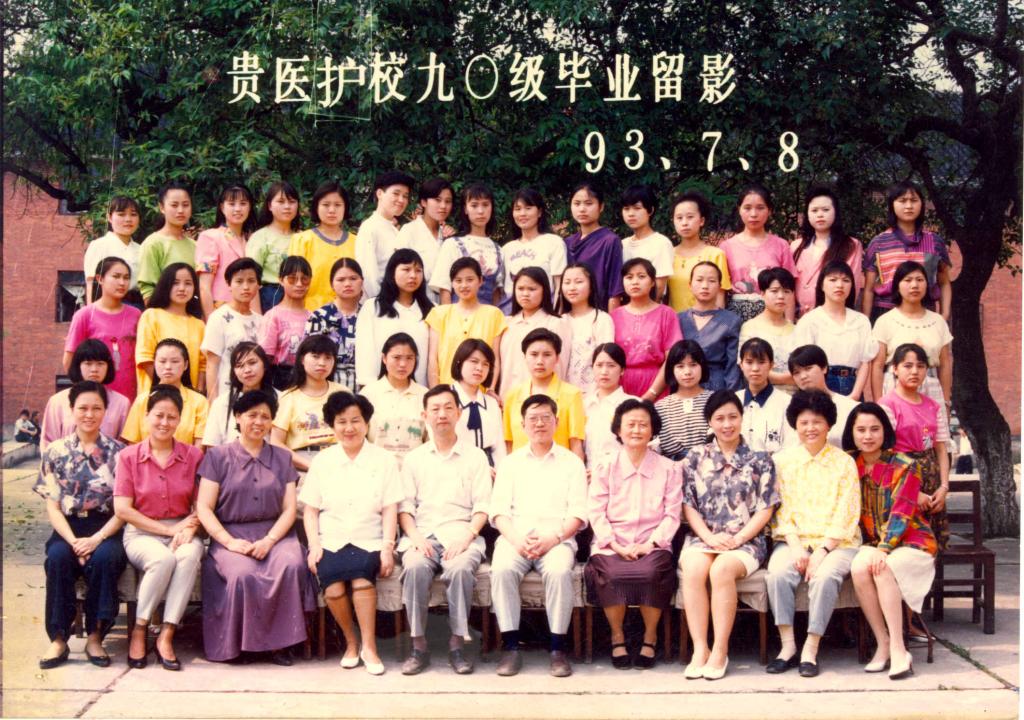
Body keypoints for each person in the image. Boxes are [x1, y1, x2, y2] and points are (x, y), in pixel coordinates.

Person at [196, 390, 315, 664]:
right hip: (231, 534)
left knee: (291, 565)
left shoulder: (282, 458)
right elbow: (204, 507)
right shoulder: (218, 457)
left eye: (265, 417)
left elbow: (289, 509)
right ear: (238, 418)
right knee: (242, 574)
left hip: (276, 533)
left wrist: (270, 540)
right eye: (252, 415)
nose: (259, 422)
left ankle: (281, 646)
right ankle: (241, 646)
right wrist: (228, 542)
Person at [300, 391, 402, 675]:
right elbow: (310, 511)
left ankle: (370, 646)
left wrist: (387, 547)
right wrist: (314, 545)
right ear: (332, 425)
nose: (349, 428)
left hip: (369, 539)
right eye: (341, 422)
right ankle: (351, 642)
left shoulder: (384, 460)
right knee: (333, 588)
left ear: (366, 423)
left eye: (355, 421)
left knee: (361, 582)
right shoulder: (323, 461)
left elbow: (390, 508)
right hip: (331, 539)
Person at [679, 390, 778, 680]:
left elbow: (766, 508)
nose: (727, 424)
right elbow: (688, 504)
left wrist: (738, 539)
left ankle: (720, 650)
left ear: (742, 418)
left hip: (746, 541)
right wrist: (709, 537)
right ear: (709, 422)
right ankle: (700, 649)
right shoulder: (695, 457)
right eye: (719, 418)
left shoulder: (760, 459)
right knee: (694, 568)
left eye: (733, 417)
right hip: (704, 537)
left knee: (721, 569)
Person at [490, 394, 588, 678]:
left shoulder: (572, 463)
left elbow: (578, 513)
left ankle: (557, 649)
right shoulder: (510, 463)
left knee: (558, 571)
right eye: (533, 418)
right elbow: (499, 511)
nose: (540, 423)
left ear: (556, 421)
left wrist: (553, 538)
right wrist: (516, 539)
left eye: (546, 417)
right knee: (502, 569)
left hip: (557, 539)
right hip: (515, 538)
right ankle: (510, 647)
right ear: (522, 424)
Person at [766, 389, 861, 678]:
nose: (810, 428)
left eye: (817, 422)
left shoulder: (844, 462)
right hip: (794, 540)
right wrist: (795, 547)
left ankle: (811, 647)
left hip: (838, 543)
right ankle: (787, 646)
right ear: (795, 424)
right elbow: (780, 509)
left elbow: (847, 511)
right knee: (778, 573)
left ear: (829, 424)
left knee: (825, 575)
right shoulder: (782, 461)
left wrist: (822, 550)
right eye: (804, 422)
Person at [397, 385, 492, 675]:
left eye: (448, 408)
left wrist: (468, 537)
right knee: (414, 567)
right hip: (422, 534)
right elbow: (405, 508)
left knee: (461, 568)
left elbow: (483, 506)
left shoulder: (476, 457)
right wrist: (415, 537)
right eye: (435, 409)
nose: (442, 414)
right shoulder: (414, 459)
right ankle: (418, 646)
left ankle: (457, 645)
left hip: (462, 533)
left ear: (459, 413)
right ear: (424, 415)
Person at [35, 381, 127, 669]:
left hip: (106, 527)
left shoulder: (119, 453)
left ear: (105, 411)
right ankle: (58, 639)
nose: (89, 414)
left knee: (105, 559)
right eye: (83, 408)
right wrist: (75, 542)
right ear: (72, 410)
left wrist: (96, 539)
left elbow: (124, 508)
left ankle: (96, 637)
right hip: (67, 527)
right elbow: (53, 507)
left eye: (96, 408)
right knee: (58, 558)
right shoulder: (55, 451)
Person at [114, 384, 205, 671]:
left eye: (171, 417)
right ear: (147, 416)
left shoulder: (193, 456)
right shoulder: (128, 457)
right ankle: (140, 629)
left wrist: (189, 527)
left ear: (179, 420)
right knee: (162, 559)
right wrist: (167, 531)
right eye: (159, 415)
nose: (164, 422)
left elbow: (201, 505)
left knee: (189, 555)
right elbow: (123, 509)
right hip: (141, 532)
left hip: (183, 528)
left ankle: (166, 634)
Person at [844, 403, 936, 680]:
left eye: (875, 429)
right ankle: (882, 642)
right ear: (851, 432)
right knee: (859, 568)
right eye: (861, 430)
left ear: (885, 431)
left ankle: (898, 648)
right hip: (872, 543)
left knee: (882, 568)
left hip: (911, 541)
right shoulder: (848, 464)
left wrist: (884, 548)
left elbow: (902, 512)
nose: (868, 436)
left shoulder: (905, 465)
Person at [587, 399, 681, 670]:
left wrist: (649, 545)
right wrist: (616, 545)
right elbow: (596, 511)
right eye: (630, 424)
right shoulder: (605, 466)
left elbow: (672, 514)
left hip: (653, 543)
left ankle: (650, 637)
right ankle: (617, 636)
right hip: (612, 544)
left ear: (653, 430)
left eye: (643, 425)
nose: (637, 430)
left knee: (651, 573)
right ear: (618, 429)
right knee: (613, 575)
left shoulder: (669, 468)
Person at [878, 343, 950, 550]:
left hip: (932, 483)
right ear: (895, 369)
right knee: (907, 545)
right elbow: (885, 455)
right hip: (901, 481)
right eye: (907, 366)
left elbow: (941, 449)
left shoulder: (933, 405)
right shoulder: (887, 405)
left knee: (933, 546)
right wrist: (912, 494)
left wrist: (943, 487)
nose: (914, 371)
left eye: (920, 366)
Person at [863, 180, 952, 322]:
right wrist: (866, 322)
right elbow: (868, 288)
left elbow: (944, 282)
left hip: (925, 313)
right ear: (892, 204)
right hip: (886, 314)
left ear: (921, 204)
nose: (909, 206)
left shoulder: (935, 242)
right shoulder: (879, 243)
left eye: (914, 200)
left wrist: (944, 315)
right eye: (902, 201)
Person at [870, 260, 952, 407]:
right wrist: (879, 403)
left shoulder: (938, 321)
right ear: (897, 285)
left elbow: (945, 364)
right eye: (908, 280)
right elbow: (877, 365)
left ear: (927, 285)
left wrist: (946, 402)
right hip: (895, 389)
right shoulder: (885, 321)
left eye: (920, 280)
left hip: (932, 389)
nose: (914, 285)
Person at [793, 260, 877, 398]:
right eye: (833, 280)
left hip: (854, 385)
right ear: (821, 285)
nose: (839, 285)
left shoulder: (861, 321)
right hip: (820, 385)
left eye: (846, 280)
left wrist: (855, 395)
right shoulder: (809, 321)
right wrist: (825, 392)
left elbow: (865, 362)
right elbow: (804, 363)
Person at [64, 257, 142, 400]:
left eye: (126, 278)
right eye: (116, 276)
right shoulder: (85, 315)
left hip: (131, 397)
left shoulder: (136, 315)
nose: (122, 283)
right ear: (100, 279)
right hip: (96, 399)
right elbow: (69, 361)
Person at [502, 328, 585, 460]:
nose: (540, 361)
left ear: (557, 358)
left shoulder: (572, 394)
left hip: (558, 467)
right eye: (534, 354)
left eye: (547, 355)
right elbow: (509, 443)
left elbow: (576, 444)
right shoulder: (512, 395)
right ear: (525, 357)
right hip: (521, 468)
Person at [355, 248, 432, 388]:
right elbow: (364, 352)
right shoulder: (373, 307)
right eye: (406, 269)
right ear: (392, 272)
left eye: (418, 270)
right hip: (379, 390)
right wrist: (367, 387)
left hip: (419, 391)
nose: (413, 275)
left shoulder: (431, 310)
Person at [271, 334, 347, 473]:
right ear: (302, 359)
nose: (322, 363)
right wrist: (311, 466)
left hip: (341, 461)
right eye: (315, 356)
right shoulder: (288, 398)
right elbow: (276, 443)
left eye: (328, 357)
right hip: (302, 465)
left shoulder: (343, 393)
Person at [720, 183, 796, 321]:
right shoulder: (726, 247)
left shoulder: (781, 245)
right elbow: (721, 291)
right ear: (739, 209)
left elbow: (789, 288)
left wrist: (790, 323)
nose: (754, 214)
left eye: (760, 208)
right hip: (736, 317)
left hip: (773, 315)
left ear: (769, 210)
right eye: (747, 208)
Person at [426, 257, 507, 386]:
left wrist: (491, 388)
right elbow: (432, 359)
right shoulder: (439, 314)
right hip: (447, 390)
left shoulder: (494, 315)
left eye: (470, 280)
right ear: (452, 283)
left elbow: (495, 358)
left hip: (481, 391)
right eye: (458, 280)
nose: (464, 285)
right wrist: (436, 391)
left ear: (480, 281)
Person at [611, 258, 682, 399]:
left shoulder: (666, 314)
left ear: (653, 282)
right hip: (620, 386)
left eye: (641, 276)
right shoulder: (614, 316)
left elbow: (672, 358)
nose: (635, 282)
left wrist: (652, 393)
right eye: (629, 277)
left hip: (656, 383)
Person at [497, 267, 572, 398]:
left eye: (532, 289)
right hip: (507, 399)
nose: (525, 294)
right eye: (520, 289)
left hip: (542, 401)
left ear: (545, 291)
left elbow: (560, 368)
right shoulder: (507, 323)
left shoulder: (555, 324)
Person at [44, 339, 131, 449]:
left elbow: (124, 446)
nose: (94, 369)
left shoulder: (122, 403)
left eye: (100, 364)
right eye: (88, 363)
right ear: (78, 366)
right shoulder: (57, 401)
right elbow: (48, 443)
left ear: (108, 367)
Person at [135, 262, 206, 396]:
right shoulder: (151, 316)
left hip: (191, 399)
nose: (182, 288)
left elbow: (203, 365)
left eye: (188, 283)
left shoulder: (199, 325)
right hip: (157, 396)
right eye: (175, 283)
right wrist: (170, 390)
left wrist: (198, 393)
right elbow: (145, 358)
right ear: (166, 285)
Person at [790, 187, 863, 317]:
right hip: (800, 319)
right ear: (807, 214)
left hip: (833, 317)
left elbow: (853, 287)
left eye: (825, 210)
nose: (820, 215)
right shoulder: (796, 246)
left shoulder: (851, 245)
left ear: (835, 212)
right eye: (814, 210)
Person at [122, 339, 209, 447]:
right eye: (162, 361)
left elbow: (199, 447)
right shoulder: (143, 400)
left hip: (186, 458)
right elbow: (133, 444)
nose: (168, 367)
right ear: (154, 363)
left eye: (175, 361)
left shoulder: (199, 402)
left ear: (186, 365)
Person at [430, 183, 505, 307]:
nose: (480, 211)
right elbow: (444, 289)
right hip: (458, 316)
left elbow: (497, 293)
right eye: (474, 205)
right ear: (465, 209)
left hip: (488, 317)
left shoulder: (498, 249)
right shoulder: (453, 244)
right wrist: (448, 317)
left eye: (485, 205)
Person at [360, 333, 428, 468]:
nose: (403, 364)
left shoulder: (425, 395)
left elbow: (430, 440)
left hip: (416, 470)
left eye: (409, 358)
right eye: (396, 357)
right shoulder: (368, 394)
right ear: (384, 358)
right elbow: (359, 438)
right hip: (377, 469)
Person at [287, 181, 357, 311]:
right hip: (310, 314)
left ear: (345, 208)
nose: (332, 210)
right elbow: (292, 282)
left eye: (337, 205)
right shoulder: (302, 240)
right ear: (316, 207)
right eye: (326, 205)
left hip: (349, 315)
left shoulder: (357, 242)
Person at [201, 258, 263, 403]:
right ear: (229, 284)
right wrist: (213, 403)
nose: (246, 287)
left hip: (255, 397)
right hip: (227, 395)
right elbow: (212, 364)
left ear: (258, 285)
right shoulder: (218, 317)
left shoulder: (261, 321)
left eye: (251, 281)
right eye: (239, 281)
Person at [196, 184, 258, 319]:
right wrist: (210, 320)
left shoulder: (252, 240)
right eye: (231, 204)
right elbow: (204, 286)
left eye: (243, 203)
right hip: (221, 312)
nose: (238, 209)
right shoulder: (210, 237)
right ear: (222, 207)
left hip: (248, 314)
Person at [678, 262, 741, 391]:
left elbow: (732, 366)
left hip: (717, 387)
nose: (705, 286)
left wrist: (731, 396)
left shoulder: (731, 321)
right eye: (699, 280)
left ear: (719, 286)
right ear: (690, 285)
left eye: (711, 281)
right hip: (683, 386)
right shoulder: (678, 319)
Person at [202, 342, 276, 448]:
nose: (247, 370)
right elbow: (212, 446)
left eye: (252, 363)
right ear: (234, 371)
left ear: (264, 365)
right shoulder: (221, 403)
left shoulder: (281, 399)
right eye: (239, 366)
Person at [667, 190, 731, 312]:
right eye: (679, 218)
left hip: (707, 321)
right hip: (674, 321)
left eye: (690, 217)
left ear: (701, 221)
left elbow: (720, 298)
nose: (684, 223)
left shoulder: (715, 255)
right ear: (673, 221)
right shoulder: (668, 254)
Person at [564, 182, 623, 311]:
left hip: (599, 313)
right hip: (570, 314)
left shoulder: (609, 241)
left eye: (588, 203)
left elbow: (615, 290)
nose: (582, 209)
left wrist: (611, 320)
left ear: (601, 207)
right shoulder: (567, 243)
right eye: (577, 204)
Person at [356, 170, 416, 299]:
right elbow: (369, 276)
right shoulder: (369, 227)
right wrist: (381, 303)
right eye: (396, 193)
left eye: (405, 196)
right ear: (380, 194)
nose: (401, 200)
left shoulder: (395, 229)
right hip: (380, 303)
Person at [305, 258, 363, 390]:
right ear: (332, 284)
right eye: (341, 280)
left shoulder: (369, 315)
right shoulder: (319, 317)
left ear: (362, 281)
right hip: (326, 386)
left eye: (353, 278)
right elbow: (310, 358)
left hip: (363, 386)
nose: (347, 284)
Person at [557, 263, 615, 394]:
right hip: (563, 395)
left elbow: (607, 359)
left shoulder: (601, 319)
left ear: (591, 286)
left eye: (578, 282)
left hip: (593, 394)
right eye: (567, 282)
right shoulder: (560, 321)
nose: (572, 287)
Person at [738, 267, 797, 393]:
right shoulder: (750, 328)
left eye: (786, 291)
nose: (781, 296)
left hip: (794, 397)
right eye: (774, 291)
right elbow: (748, 368)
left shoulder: (797, 330)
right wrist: (789, 378)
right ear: (763, 293)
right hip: (761, 395)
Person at [258, 255, 312, 389]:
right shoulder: (273, 316)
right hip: (279, 381)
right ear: (281, 280)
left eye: (304, 279)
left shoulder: (313, 316)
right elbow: (265, 358)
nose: (299, 284)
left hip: (308, 380)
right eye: (292, 279)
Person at [789, 344, 859, 448]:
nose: (803, 376)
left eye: (808, 368)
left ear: (824, 368)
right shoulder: (789, 408)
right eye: (796, 372)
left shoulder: (850, 407)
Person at [450, 339, 506, 467]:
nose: (479, 368)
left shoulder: (492, 404)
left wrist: (499, 472)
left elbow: (499, 448)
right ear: (459, 362)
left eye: (485, 364)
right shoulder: (444, 399)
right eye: (474, 361)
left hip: (490, 469)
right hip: (454, 467)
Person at [503, 188, 567, 300]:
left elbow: (559, 287)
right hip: (510, 309)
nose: (522, 213)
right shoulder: (506, 249)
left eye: (528, 208)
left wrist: (556, 310)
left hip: (545, 308)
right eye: (517, 209)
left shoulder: (554, 243)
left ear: (539, 212)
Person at [396, 178, 455, 299]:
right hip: (416, 300)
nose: (443, 206)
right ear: (424, 202)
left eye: (448, 201)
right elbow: (399, 271)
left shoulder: (448, 235)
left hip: (446, 302)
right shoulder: (409, 231)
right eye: (437, 200)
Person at [247, 181, 302, 311]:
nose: (287, 206)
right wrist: (257, 316)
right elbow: (250, 278)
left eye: (292, 202)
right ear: (269, 206)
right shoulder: (260, 237)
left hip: (300, 295)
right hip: (270, 297)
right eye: (281, 202)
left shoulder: (303, 237)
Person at [655, 340, 713, 461]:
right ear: (671, 369)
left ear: (702, 366)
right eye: (680, 366)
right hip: (670, 467)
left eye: (693, 365)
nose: (687, 372)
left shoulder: (715, 401)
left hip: (708, 466)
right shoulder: (660, 407)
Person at [137, 181, 195, 301]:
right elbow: (148, 290)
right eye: (174, 205)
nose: (180, 210)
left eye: (185, 205)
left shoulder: (195, 245)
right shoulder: (153, 244)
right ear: (162, 207)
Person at [583, 343, 638, 469]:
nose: (604, 371)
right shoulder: (584, 405)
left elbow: (646, 447)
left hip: (622, 474)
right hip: (588, 475)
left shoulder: (634, 405)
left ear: (622, 370)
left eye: (611, 365)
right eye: (599, 365)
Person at [84, 196, 143, 308]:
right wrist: (92, 313)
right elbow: (91, 283)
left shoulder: (141, 249)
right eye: (121, 214)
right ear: (109, 217)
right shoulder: (99, 245)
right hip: (108, 306)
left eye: (133, 214)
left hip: (138, 307)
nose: (128, 219)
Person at [619, 184, 674, 302]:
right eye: (626, 209)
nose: (631, 214)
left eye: (637, 208)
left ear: (650, 210)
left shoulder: (661, 243)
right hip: (625, 308)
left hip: (651, 308)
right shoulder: (622, 244)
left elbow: (659, 287)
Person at [736, 338, 792, 453]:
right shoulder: (732, 401)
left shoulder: (787, 403)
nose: (755, 368)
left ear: (771, 365)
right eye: (749, 362)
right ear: (741, 365)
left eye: (761, 362)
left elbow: (791, 445)